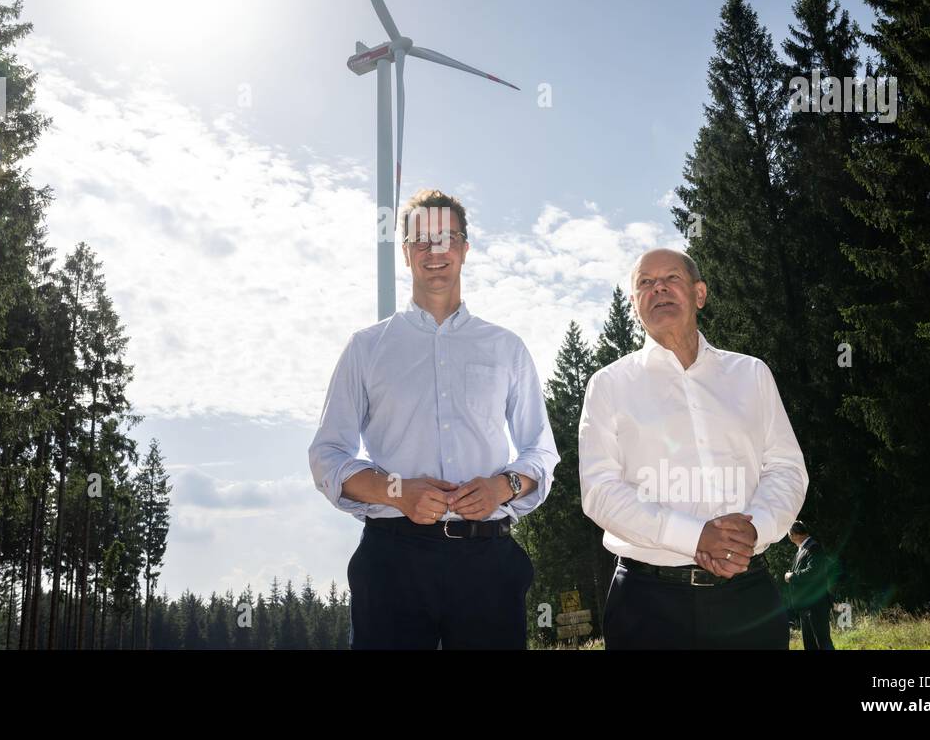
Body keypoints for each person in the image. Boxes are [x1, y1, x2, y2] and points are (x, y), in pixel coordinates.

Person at [308, 189, 559, 649]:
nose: (434, 251)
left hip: (488, 563)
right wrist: (397, 492)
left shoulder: (506, 348)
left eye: (446, 238)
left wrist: (502, 487)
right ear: (405, 254)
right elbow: (327, 456)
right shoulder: (366, 349)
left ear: (465, 248)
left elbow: (541, 451)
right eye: (420, 240)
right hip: (391, 562)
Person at [579, 248, 809, 649]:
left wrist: (755, 528)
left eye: (672, 279)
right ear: (634, 304)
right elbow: (600, 492)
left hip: (747, 597)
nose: (659, 289)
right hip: (646, 607)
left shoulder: (751, 374)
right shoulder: (608, 385)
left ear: (699, 293)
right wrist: (694, 536)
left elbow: (786, 469)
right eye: (645, 284)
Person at [785, 520, 836, 650]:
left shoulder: (813, 547)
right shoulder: (802, 549)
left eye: (789, 534)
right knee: (810, 644)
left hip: (816, 605)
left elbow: (813, 572)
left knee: (823, 642)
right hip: (806, 605)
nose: (789, 537)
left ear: (795, 534)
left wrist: (792, 576)